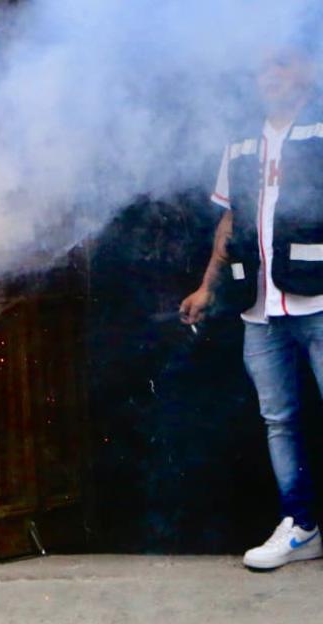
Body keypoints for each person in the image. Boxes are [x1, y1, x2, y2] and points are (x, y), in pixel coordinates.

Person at [180, 44, 323, 570]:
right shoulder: (240, 146)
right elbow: (230, 224)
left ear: (305, 71)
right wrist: (207, 288)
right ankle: (301, 527)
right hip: (259, 308)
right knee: (279, 419)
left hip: (319, 299)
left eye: (280, 64)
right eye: (261, 66)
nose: (269, 75)